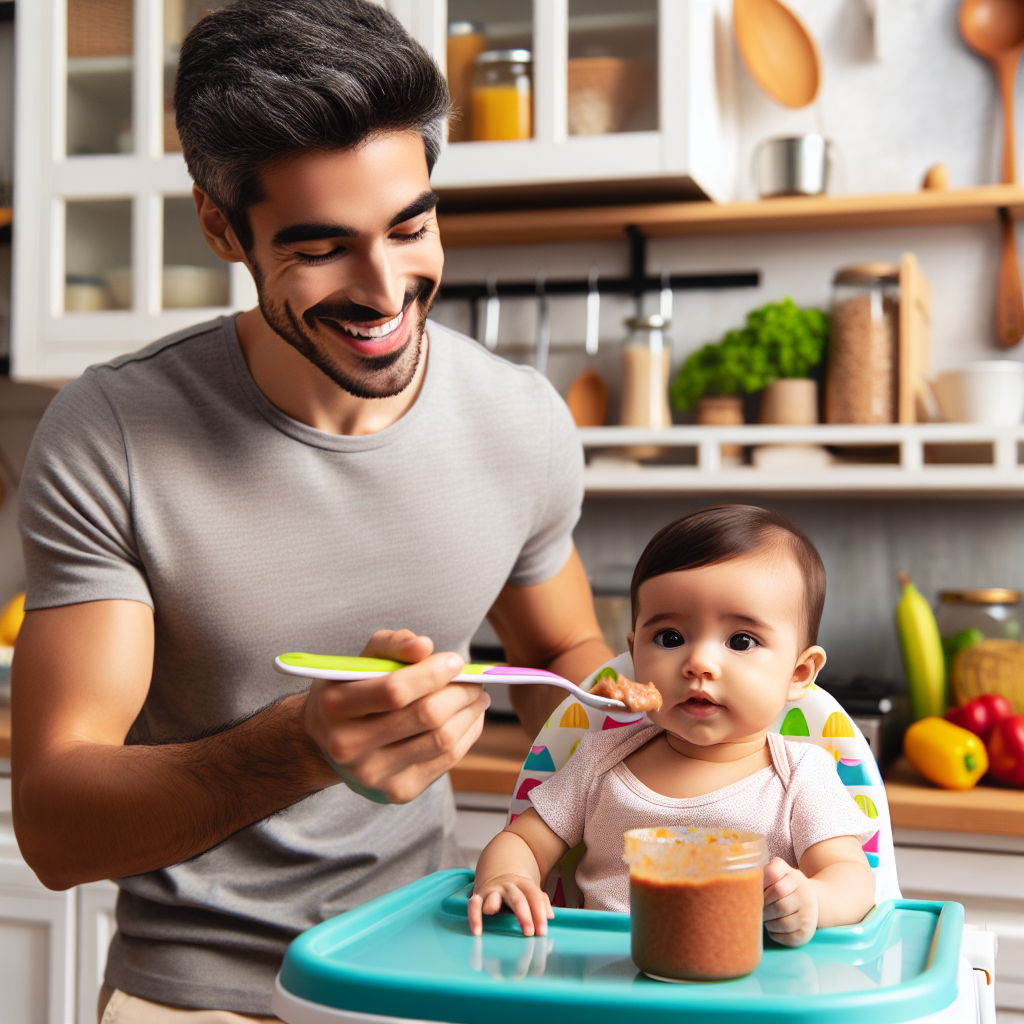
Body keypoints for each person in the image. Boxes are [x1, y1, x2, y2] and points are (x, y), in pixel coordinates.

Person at [11, 2, 613, 1020]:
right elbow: (58, 826)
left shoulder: (521, 421)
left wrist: (659, 723)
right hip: (191, 994)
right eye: (321, 247)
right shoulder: (110, 430)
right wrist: (303, 747)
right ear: (220, 225)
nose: (385, 291)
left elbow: (558, 651)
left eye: (410, 225)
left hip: (430, 965)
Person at [469, 505, 876, 947]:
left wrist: (811, 900)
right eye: (670, 638)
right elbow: (523, 842)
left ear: (799, 673)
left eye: (741, 641)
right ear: (635, 652)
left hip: (746, 986)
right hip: (600, 981)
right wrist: (508, 877)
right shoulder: (600, 760)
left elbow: (852, 877)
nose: (698, 662)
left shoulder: (801, 776)